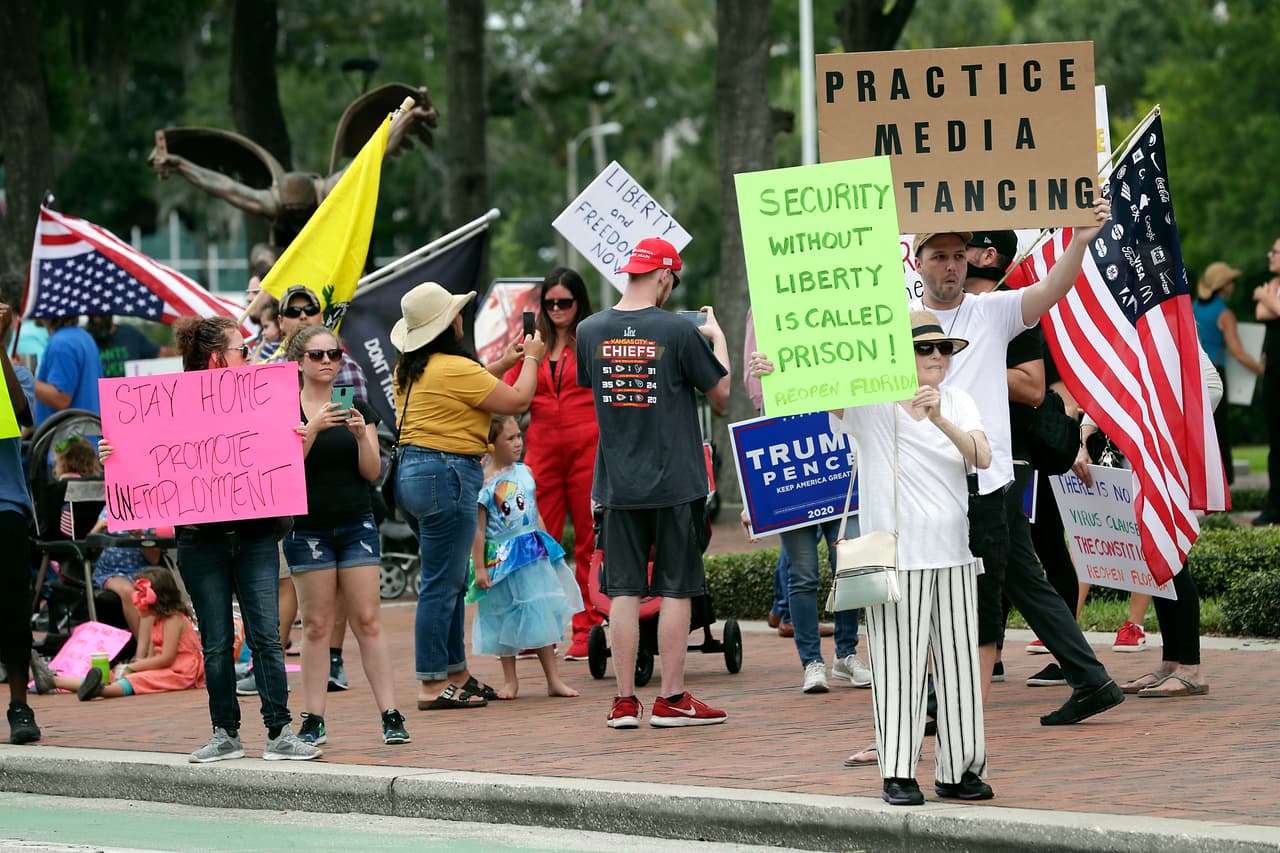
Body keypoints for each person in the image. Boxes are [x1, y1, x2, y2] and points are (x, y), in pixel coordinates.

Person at [752, 310, 994, 805]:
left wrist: (940, 417)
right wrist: (772, 368)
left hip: (954, 556)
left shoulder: (960, 401)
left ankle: (959, 769)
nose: (935, 358)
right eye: (925, 349)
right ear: (900, 355)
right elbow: (813, 392)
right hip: (896, 559)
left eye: (943, 349)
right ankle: (899, 772)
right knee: (896, 666)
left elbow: (982, 457)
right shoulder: (872, 403)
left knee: (958, 667)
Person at [909, 201, 1124, 727]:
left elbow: (1052, 289)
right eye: (940, 256)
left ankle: (948, 701)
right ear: (918, 263)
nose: (952, 265)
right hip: (930, 480)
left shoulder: (993, 310)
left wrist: (1076, 241)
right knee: (1020, 582)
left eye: (959, 255)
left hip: (987, 479)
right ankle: (1090, 678)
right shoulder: (900, 323)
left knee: (970, 590)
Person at [99, 316, 320, 762]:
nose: (251, 354)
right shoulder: (170, 403)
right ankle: (226, 732)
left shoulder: (265, 397)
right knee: (217, 641)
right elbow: (149, 457)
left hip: (256, 534)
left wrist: (299, 436)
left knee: (266, 637)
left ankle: (279, 731)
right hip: (203, 542)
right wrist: (115, 453)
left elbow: (285, 456)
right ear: (219, 357)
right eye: (243, 348)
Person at [576, 237, 731, 729]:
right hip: (674, 480)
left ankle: (624, 702)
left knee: (622, 591)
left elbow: (595, 388)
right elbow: (723, 395)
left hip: (617, 483)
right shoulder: (676, 331)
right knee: (676, 589)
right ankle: (672, 698)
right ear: (664, 275)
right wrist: (716, 337)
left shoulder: (588, 330)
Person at [390, 281, 544, 710]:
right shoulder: (454, 367)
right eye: (456, 314)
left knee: (449, 579)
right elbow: (517, 400)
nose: (461, 319)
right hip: (447, 474)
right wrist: (530, 359)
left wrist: (503, 361)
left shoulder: (412, 367)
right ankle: (430, 683)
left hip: (415, 473)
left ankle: (455, 672)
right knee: (442, 583)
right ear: (446, 325)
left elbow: (468, 387)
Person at [282, 325, 409, 745]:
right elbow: (283, 468)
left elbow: (371, 473)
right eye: (317, 355)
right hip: (308, 528)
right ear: (299, 361)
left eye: (333, 355)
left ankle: (391, 715)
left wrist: (360, 437)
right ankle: (313, 718)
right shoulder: (285, 408)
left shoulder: (356, 406)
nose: (326, 362)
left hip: (356, 521)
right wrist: (313, 427)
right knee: (316, 625)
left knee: (368, 620)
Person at [502, 268, 603, 662]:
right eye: (550, 303)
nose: (557, 309)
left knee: (588, 539)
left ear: (580, 303)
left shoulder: (592, 339)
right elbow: (510, 392)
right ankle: (539, 632)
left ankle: (587, 627)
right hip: (542, 449)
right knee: (535, 540)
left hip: (588, 448)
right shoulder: (532, 344)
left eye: (566, 302)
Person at [470, 415, 581, 698]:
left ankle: (553, 679)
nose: (518, 442)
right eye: (510, 438)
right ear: (491, 445)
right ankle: (510, 680)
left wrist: (548, 545)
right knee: (503, 613)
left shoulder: (525, 472)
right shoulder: (483, 483)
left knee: (540, 611)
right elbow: (479, 531)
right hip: (502, 558)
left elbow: (535, 512)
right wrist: (480, 568)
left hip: (532, 554)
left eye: (519, 435)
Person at [32, 569, 205, 700]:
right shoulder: (156, 620)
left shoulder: (174, 619)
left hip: (181, 672)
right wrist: (133, 666)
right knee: (115, 674)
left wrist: (133, 668)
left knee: (137, 679)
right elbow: (154, 656)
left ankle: (100, 691)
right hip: (165, 668)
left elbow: (166, 658)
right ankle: (53, 681)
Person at [0, 300, 41, 744]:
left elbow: (20, 412)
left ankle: (19, 706)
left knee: (12, 610)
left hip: (4, 503)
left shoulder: (15, 371)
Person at [1195, 262, 1263, 487]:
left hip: (1194, 375)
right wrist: (1263, 370)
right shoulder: (1224, 314)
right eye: (1231, 281)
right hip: (1215, 375)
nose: (1233, 285)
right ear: (1223, 286)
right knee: (1220, 431)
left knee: (1200, 430)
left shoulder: (1193, 307)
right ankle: (1223, 483)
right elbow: (1238, 352)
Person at [1252, 236, 1280, 526]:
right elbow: (1262, 312)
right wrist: (1267, 297)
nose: (1269, 255)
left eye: (1275, 252)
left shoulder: (1271, 289)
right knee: (1275, 439)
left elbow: (1269, 307)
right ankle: (1275, 504)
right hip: (1273, 372)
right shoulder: (1274, 286)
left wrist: (1265, 296)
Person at [33, 316, 102, 424]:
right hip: (88, 433)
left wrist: (20, 378)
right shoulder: (84, 336)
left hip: (70, 437)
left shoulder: (61, 344)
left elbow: (61, 398)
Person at [86, 315, 175, 378]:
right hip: (97, 400)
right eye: (91, 316)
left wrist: (186, 350)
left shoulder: (130, 335)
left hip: (129, 397)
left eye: (100, 315)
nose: (96, 320)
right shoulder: (85, 341)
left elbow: (160, 352)